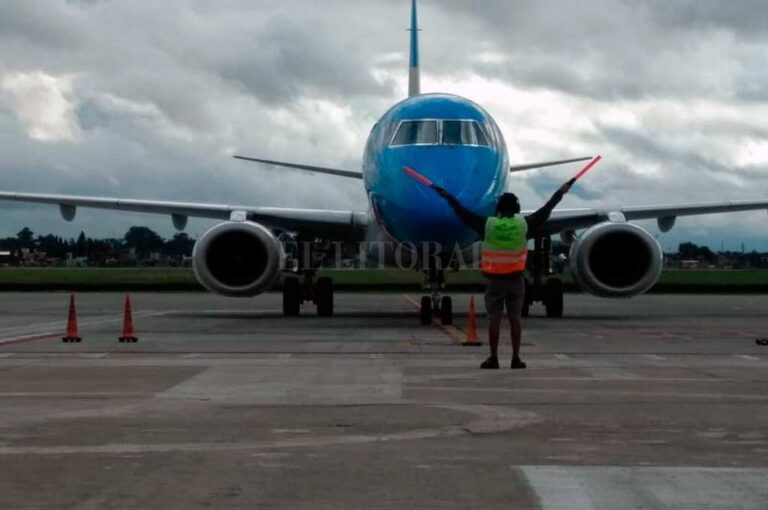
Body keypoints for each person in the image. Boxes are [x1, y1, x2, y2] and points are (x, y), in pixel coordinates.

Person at [433, 180, 574, 369]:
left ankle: (494, 357)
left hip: (495, 282)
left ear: (497, 208)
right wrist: (560, 192)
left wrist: (448, 197)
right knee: (515, 320)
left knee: (494, 320)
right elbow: (546, 209)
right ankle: (516, 358)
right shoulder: (524, 224)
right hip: (516, 282)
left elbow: (463, 214)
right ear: (517, 208)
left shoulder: (487, 225)